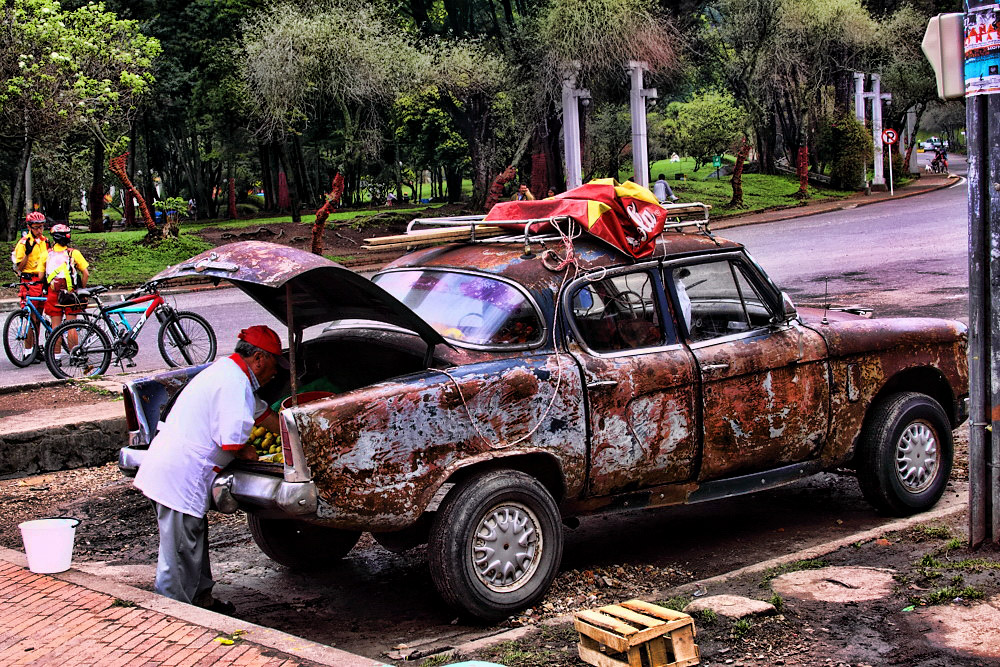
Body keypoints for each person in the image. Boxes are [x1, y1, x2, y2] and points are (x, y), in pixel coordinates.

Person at [134, 325, 288, 613]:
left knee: (191, 543)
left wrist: (294, 431)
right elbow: (231, 441)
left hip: (176, 471)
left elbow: (262, 414)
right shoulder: (233, 382)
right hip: (179, 476)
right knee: (179, 552)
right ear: (258, 358)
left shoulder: (228, 373)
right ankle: (175, 616)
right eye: (273, 365)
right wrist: (249, 451)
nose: (275, 373)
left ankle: (202, 601)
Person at [43, 224, 89, 363]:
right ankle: (75, 356)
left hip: (53, 293)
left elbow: (40, 275)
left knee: (55, 327)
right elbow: (85, 273)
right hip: (70, 293)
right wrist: (81, 288)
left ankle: (56, 358)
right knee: (71, 325)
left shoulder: (47, 253)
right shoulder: (73, 253)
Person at [12, 212, 49, 362]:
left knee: (39, 317)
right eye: (36, 228)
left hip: (43, 282)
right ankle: (28, 352)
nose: (39, 231)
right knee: (31, 318)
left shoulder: (45, 241)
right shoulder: (23, 243)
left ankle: (36, 348)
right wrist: (27, 252)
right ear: (29, 227)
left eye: (41, 227)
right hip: (29, 281)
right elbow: (18, 267)